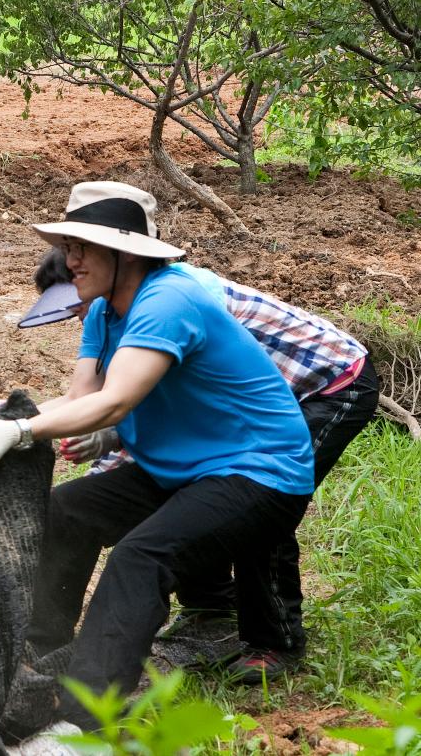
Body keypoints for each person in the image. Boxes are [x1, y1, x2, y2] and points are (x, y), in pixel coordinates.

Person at [0, 181, 316, 729]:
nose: (69, 259)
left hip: (258, 470)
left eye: (81, 247)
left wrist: (27, 432)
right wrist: (13, 419)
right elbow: (82, 397)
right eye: (67, 246)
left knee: (141, 557)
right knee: (66, 513)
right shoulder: (104, 310)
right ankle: (39, 660)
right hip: (178, 469)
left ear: (124, 253)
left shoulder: (169, 299)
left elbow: (116, 400)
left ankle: (82, 717)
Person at [20, 244, 378, 683]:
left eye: (76, 301)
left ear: (113, 265)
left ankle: (273, 641)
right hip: (229, 426)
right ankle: (210, 609)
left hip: (327, 382)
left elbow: (203, 400)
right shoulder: (110, 312)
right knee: (189, 498)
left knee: (250, 511)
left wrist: (109, 436)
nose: (76, 317)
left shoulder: (176, 301)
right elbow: (167, 407)